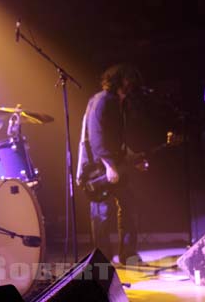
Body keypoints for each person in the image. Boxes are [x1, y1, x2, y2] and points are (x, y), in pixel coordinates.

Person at [76, 63, 143, 265]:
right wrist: (109, 165)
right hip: (97, 168)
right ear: (120, 80)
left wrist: (131, 156)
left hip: (112, 161)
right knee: (102, 214)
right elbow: (96, 137)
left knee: (129, 205)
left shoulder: (119, 102)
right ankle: (103, 261)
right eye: (128, 80)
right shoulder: (102, 101)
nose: (132, 85)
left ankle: (128, 255)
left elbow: (116, 138)